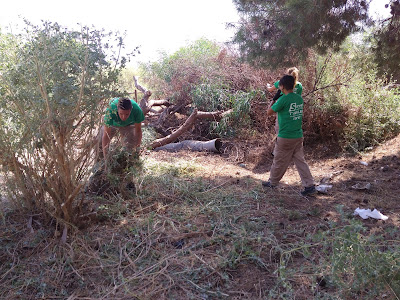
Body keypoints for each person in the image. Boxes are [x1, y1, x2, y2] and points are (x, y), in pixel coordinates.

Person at [262, 75, 316, 196]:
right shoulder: (299, 98)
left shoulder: (283, 99)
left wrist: (273, 100)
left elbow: (269, 113)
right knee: (301, 161)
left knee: (279, 160)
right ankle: (310, 186)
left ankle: (272, 182)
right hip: (298, 135)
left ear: (281, 86)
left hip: (285, 136)